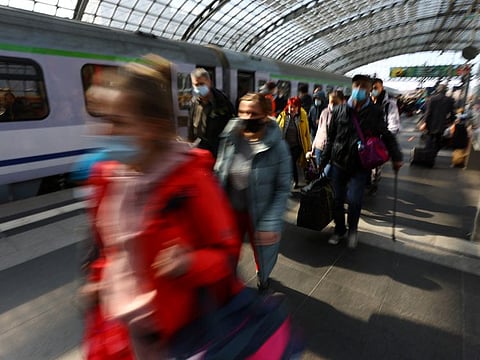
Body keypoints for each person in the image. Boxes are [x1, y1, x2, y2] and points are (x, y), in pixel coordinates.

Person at [80, 54, 243, 359]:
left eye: (119, 122)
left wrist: (189, 264)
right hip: (117, 329)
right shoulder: (107, 177)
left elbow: (226, 254)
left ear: (153, 127)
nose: (108, 133)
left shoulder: (191, 181)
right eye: (106, 120)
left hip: (175, 337)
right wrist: (97, 280)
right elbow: (110, 249)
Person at [215, 92, 292, 293]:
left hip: (260, 211)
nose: (247, 118)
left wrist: (271, 221)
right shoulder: (230, 137)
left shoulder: (278, 147)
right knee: (229, 249)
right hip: (232, 208)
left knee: (262, 251)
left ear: (266, 115)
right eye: (242, 112)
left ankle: (263, 276)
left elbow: (284, 188)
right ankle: (227, 279)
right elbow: (220, 169)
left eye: (252, 113)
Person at [318, 75, 403, 249]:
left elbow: (385, 134)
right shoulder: (339, 110)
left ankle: (353, 231)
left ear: (369, 89)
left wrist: (396, 156)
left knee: (355, 200)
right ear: (352, 87)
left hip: (360, 164)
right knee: (337, 199)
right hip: (339, 162)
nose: (360, 89)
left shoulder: (375, 112)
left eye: (364, 86)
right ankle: (339, 229)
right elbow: (331, 137)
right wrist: (323, 160)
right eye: (357, 85)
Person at [187, 68, 235, 158]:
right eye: (196, 85)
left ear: (209, 82)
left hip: (218, 150)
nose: (198, 88)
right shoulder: (193, 103)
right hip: (200, 149)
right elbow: (190, 126)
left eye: (201, 84)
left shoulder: (222, 101)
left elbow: (231, 124)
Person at [370, 78, 401, 193]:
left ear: (381, 88)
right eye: (371, 88)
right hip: (366, 141)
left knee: (375, 166)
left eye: (375, 88)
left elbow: (394, 126)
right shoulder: (366, 103)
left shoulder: (389, 105)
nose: (373, 90)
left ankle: (374, 182)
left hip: (379, 142)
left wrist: (383, 141)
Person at [276, 97, 311, 188]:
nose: (292, 109)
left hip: (297, 145)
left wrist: (308, 148)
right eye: (290, 106)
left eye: (294, 107)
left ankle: (294, 181)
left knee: (291, 161)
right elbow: (276, 128)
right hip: (285, 145)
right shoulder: (283, 115)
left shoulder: (302, 116)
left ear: (298, 107)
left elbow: (306, 133)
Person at [309, 90, 345, 175]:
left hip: (332, 150)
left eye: (335, 103)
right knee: (319, 171)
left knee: (326, 174)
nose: (332, 105)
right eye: (330, 102)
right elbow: (319, 130)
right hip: (320, 147)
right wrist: (313, 147)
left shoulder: (343, 115)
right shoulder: (324, 112)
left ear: (342, 102)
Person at [423, 84, 455, 154]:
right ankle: (434, 154)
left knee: (430, 138)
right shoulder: (450, 100)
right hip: (442, 123)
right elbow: (452, 113)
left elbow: (428, 112)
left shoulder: (432, 99)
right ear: (445, 91)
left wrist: (424, 122)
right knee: (438, 140)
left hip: (431, 123)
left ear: (438, 90)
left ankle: (427, 154)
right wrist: (452, 122)